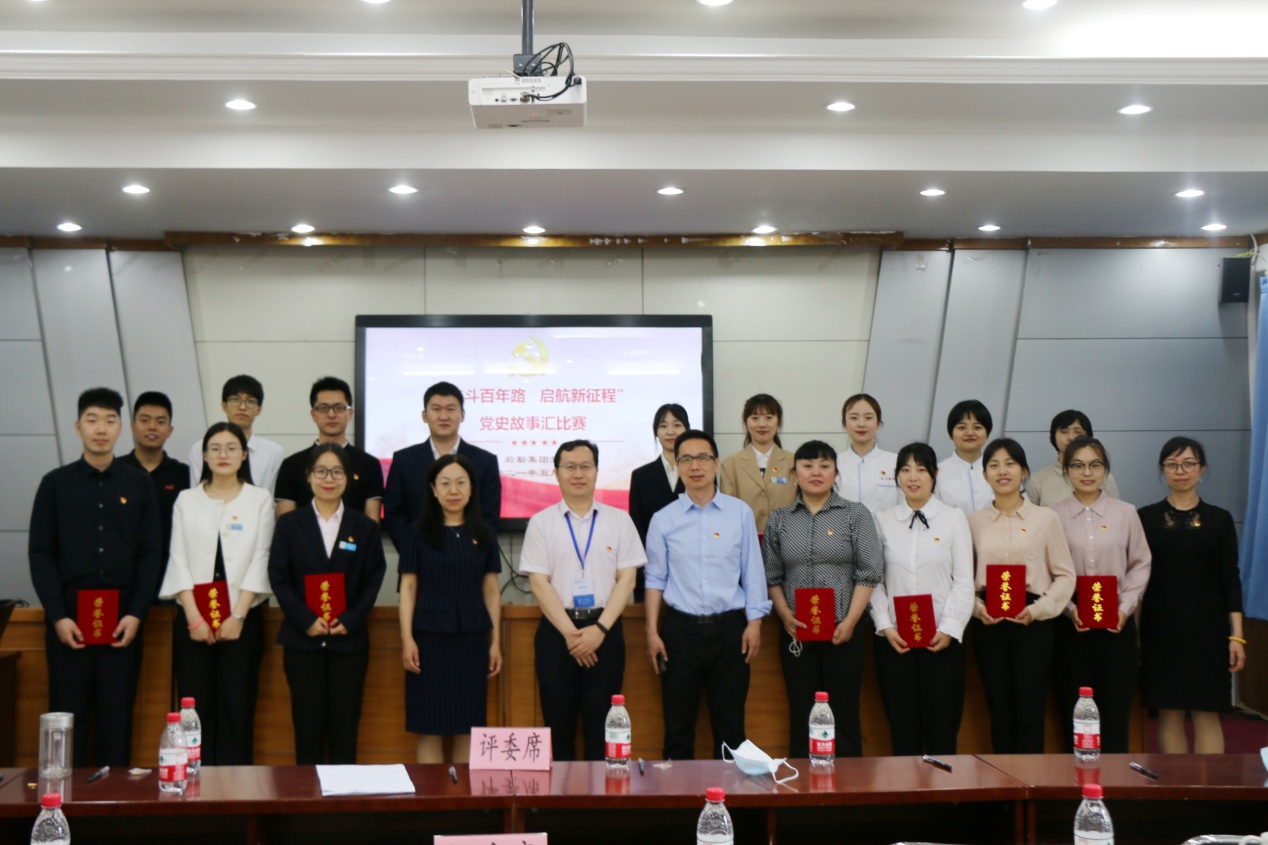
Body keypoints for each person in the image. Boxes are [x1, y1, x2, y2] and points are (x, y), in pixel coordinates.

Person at [28, 388, 162, 766]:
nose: (100, 429)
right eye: (92, 420)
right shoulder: (55, 483)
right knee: (68, 717)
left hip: (122, 618)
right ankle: (65, 797)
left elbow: (151, 552)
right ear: (78, 427)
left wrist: (137, 613)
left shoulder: (139, 484)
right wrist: (58, 616)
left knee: (116, 717)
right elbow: (41, 554)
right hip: (68, 617)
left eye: (109, 420)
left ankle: (111, 798)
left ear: (121, 427)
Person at [645, 429, 771, 760]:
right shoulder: (663, 519)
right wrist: (652, 632)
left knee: (731, 731)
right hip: (679, 631)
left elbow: (752, 570)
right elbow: (655, 579)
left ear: (716, 464)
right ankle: (678, 794)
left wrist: (755, 623)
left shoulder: (739, 513)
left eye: (703, 458)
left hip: (730, 631)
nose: (695, 466)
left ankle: (728, 794)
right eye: (686, 459)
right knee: (677, 729)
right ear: (677, 466)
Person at [520, 440, 644, 761]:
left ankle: (601, 794)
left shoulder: (619, 520)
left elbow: (627, 580)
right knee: (557, 730)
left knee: (602, 731)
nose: (578, 474)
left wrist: (598, 630)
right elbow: (538, 583)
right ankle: (560, 794)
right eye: (570, 467)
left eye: (585, 466)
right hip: (557, 634)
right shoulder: (541, 523)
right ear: (556, 473)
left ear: (597, 471)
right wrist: (572, 635)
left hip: (605, 632)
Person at [161, 422, 274, 765]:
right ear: (204, 456)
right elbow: (178, 557)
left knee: (237, 705)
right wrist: (194, 618)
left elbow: (261, 557)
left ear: (243, 455)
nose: (223, 454)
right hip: (193, 619)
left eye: (231, 448)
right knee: (194, 706)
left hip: (243, 618)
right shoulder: (187, 499)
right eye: (215, 448)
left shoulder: (259, 499)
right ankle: (195, 782)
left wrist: (238, 615)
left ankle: (236, 786)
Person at [763, 440, 883, 758]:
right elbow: (772, 576)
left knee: (843, 710)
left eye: (824, 466)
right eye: (807, 465)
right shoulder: (780, 519)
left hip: (844, 630)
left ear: (835, 473)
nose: (816, 472)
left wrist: (851, 621)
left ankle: (849, 785)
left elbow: (869, 572)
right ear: (795, 474)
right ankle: (802, 783)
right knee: (801, 710)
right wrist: (784, 614)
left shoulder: (855, 515)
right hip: (796, 632)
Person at [269, 444, 386, 764]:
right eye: (321, 471)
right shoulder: (289, 524)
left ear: (347, 478)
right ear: (308, 477)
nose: (329, 479)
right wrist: (305, 619)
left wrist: (352, 618)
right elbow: (279, 577)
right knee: (306, 728)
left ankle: (343, 795)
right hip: (302, 641)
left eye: (337, 472)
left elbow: (374, 577)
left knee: (345, 729)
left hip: (348, 642)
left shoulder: (363, 526)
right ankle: (307, 794)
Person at [967, 438, 1075, 754]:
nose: (1002, 471)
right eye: (994, 465)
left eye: (1010, 464)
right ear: (985, 475)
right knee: (999, 708)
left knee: (1030, 709)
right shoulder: (972, 522)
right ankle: (1002, 781)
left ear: (1024, 471)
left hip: (1033, 621)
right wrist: (977, 609)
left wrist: (1039, 610)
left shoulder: (1046, 518)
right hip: (989, 619)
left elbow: (1065, 575)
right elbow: (961, 579)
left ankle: (1030, 781)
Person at [1138, 437, 1245, 754]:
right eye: (1172, 465)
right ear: (1162, 471)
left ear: (1202, 469)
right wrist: (1137, 635)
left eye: (1188, 464)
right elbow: (1138, 581)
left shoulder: (1220, 519)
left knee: (1206, 714)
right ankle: (1176, 785)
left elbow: (1231, 580)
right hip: (1161, 630)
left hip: (1208, 632)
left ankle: (1208, 785)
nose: (1180, 471)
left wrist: (1237, 637)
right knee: (1169, 714)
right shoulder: (1145, 519)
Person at [870, 442, 974, 756]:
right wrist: (886, 626)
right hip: (896, 641)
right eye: (905, 470)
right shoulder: (882, 520)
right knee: (902, 728)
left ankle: (944, 787)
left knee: (942, 728)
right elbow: (874, 580)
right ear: (896, 476)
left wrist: (950, 628)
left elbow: (964, 580)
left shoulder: (953, 518)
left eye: (921, 469)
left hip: (941, 640)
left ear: (934, 474)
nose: (912, 477)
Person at [397, 454, 502, 763]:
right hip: (428, 640)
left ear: (471, 489)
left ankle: (463, 794)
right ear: (433, 489)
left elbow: (491, 589)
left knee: (467, 729)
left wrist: (495, 642)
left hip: (472, 639)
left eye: (460, 483)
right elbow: (408, 588)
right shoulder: (416, 533)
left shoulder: (484, 533)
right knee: (429, 729)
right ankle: (432, 796)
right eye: (445, 483)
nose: (453, 490)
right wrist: (407, 639)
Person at [1051, 436, 1150, 753]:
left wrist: (1124, 608)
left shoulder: (1125, 513)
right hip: (1071, 626)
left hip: (1116, 624)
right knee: (1074, 712)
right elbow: (1047, 570)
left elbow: (1140, 564)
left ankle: (1115, 779)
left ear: (1105, 470)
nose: (1087, 473)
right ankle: (1077, 778)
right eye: (1078, 465)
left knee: (1115, 712)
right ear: (1067, 471)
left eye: (1095, 465)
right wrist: (1069, 608)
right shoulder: (1052, 515)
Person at [384, 381, 501, 554]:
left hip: (470, 560)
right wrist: (413, 551)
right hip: (417, 560)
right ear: (425, 416)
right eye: (436, 409)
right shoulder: (404, 460)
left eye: (451, 409)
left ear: (462, 415)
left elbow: (489, 517)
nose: (444, 416)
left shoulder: (485, 461)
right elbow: (394, 515)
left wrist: (468, 552)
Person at [275, 376, 384, 523]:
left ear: (350, 414)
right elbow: (285, 524)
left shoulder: (369, 465)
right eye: (323, 408)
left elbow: (372, 522)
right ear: (313, 415)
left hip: (354, 538)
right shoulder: (291, 465)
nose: (331, 415)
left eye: (339, 408)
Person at [116, 390, 190, 588]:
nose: (152, 427)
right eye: (145, 420)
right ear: (132, 427)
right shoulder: (114, 471)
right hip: (123, 576)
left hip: (170, 576)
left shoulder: (184, 475)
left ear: (170, 430)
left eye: (160, 421)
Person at [628, 403, 689, 601]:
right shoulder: (641, 477)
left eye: (677, 425)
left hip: (691, 571)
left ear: (687, 429)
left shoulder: (700, 473)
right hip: (652, 572)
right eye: (663, 426)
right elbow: (637, 529)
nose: (670, 431)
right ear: (656, 432)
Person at [186, 374, 284, 495]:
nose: (242, 407)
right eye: (235, 399)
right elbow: (197, 493)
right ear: (224, 406)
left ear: (259, 409)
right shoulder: (200, 448)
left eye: (250, 401)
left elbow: (271, 497)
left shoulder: (273, 452)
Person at [719, 394, 797, 534]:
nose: (762, 424)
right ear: (746, 422)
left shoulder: (794, 461)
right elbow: (728, 511)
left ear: (779, 421)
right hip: (745, 540)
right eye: (755, 418)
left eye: (769, 418)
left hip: (788, 541)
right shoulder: (730, 464)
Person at [1028, 410, 1121, 506]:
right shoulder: (1037, 480)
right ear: (1053, 436)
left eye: (1078, 432)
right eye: (1064, 432)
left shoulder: (1104, 477)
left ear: (1088, 437)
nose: (1071, 437)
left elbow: (1116, 511)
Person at [834, 393, 901, 514]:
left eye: (868, 418)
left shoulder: (896, 462)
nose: (861, 424)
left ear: (878, 423)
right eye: (854, 418)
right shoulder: (834, 464)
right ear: (844, 423)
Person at [937, 400, 994, 514]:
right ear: (951, 435)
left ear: (987, 434)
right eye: (962, 427)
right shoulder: (937, 473)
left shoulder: (1001, 471)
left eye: (977, 427)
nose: (970, 433)